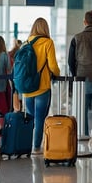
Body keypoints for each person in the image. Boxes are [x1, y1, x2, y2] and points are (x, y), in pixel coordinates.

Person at [22, 18, 60, 154]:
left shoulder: (26, 43)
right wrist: (57, 73)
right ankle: (36, 147)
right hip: (42, 87)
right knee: (39, 119)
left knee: (31, 119)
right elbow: (53, 66)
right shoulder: (48, 43)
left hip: (27, 89)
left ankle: (26, 144)